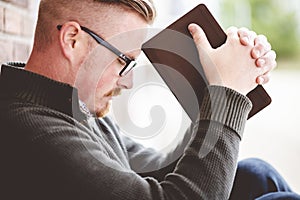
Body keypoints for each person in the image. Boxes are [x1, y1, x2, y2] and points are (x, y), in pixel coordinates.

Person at [0, 0, 299, 199]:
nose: (128, 81)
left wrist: (218, 87)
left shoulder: (75, 108)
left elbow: (161, 169)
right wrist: (227, 93)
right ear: (72, 40)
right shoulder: (30, 131)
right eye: (123, 61)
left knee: (256, 174)